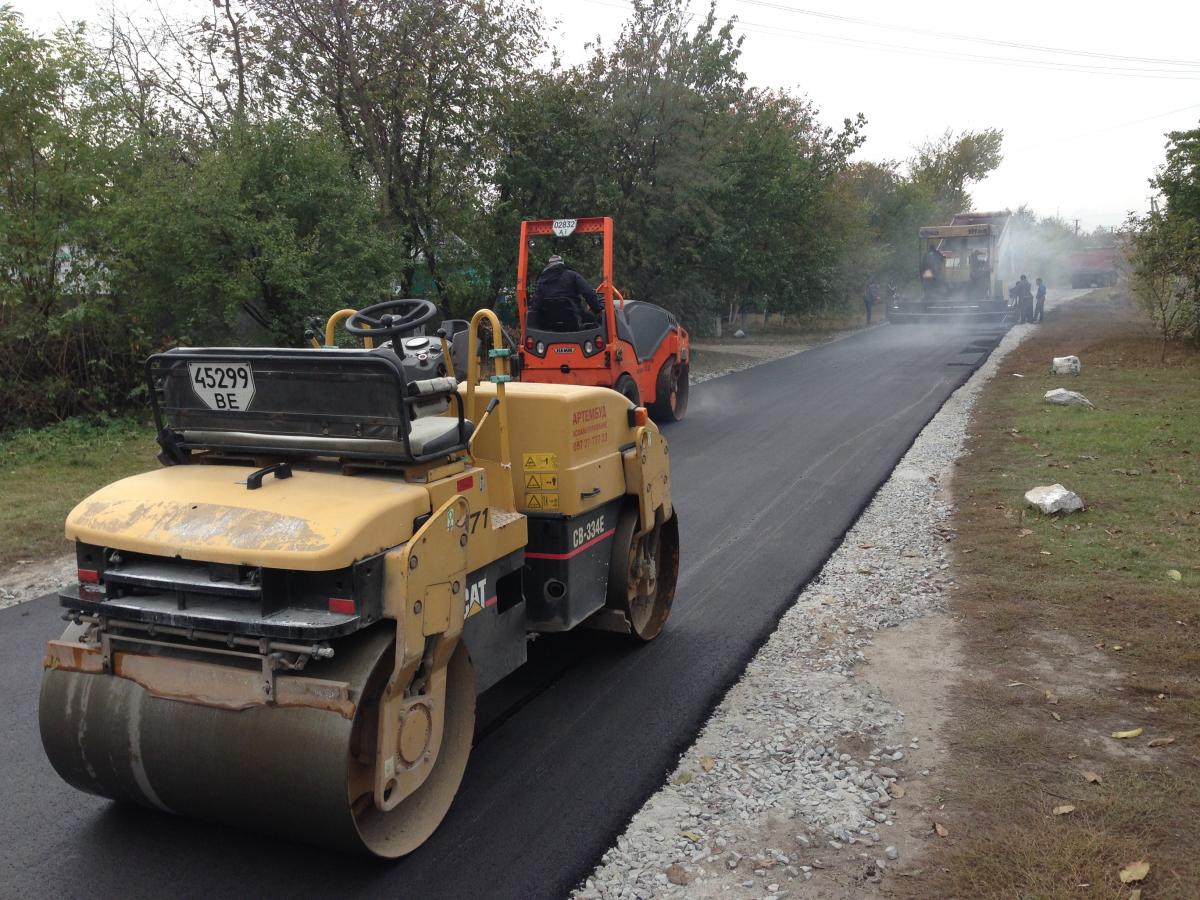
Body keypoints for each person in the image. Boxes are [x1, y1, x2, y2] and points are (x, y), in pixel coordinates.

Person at [529, 255, 603, 331]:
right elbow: (589, 293)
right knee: (594, 320)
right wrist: (597, 310)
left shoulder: (542, 280)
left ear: (549, 265)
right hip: (574, 320)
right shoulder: (572, 275)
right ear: (562, 263)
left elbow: (536, 302)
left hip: (548, 323)